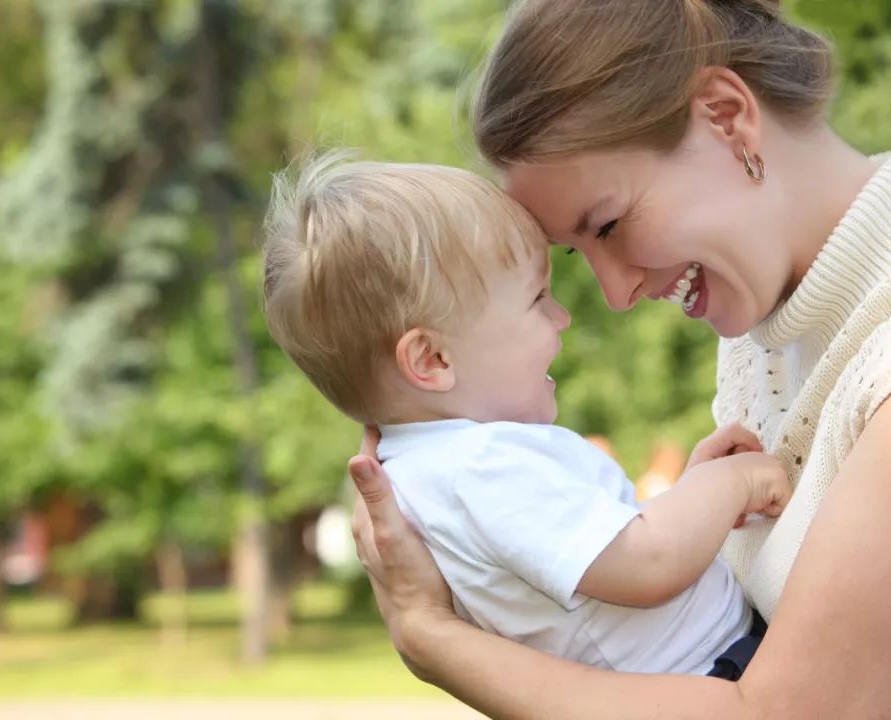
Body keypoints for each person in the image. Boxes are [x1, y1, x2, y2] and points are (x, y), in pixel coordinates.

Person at [347, 0, 891, 718]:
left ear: (726, 115)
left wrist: (434, 638)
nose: (616, 291)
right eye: (578, 249)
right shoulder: (763, 334)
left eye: (609, 224)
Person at [261, 153, 793, 673]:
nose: (561, 317)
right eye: (537, 298)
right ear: (432, 358)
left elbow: (603, 576)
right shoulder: (481, 466)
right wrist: (732, 485)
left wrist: (689, 493)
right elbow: (648, 563)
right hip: (713, 674)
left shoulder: (428, 476)